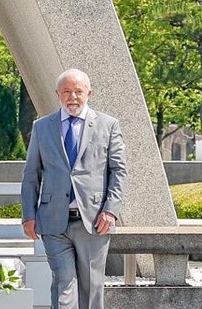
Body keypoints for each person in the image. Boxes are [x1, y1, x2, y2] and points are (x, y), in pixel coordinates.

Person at [21, 69, 127, 309]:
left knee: (91, 289)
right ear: (58, 94)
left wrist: (110, 211)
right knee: (63, 285)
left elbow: (118, 171)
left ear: (89, 93)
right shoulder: (42, 127)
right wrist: (28, 215)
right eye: (67, 92)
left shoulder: (108, 125)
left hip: (94, 221)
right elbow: (31, 175)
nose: (73, 97)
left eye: (78, 92)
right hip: (53, 222)